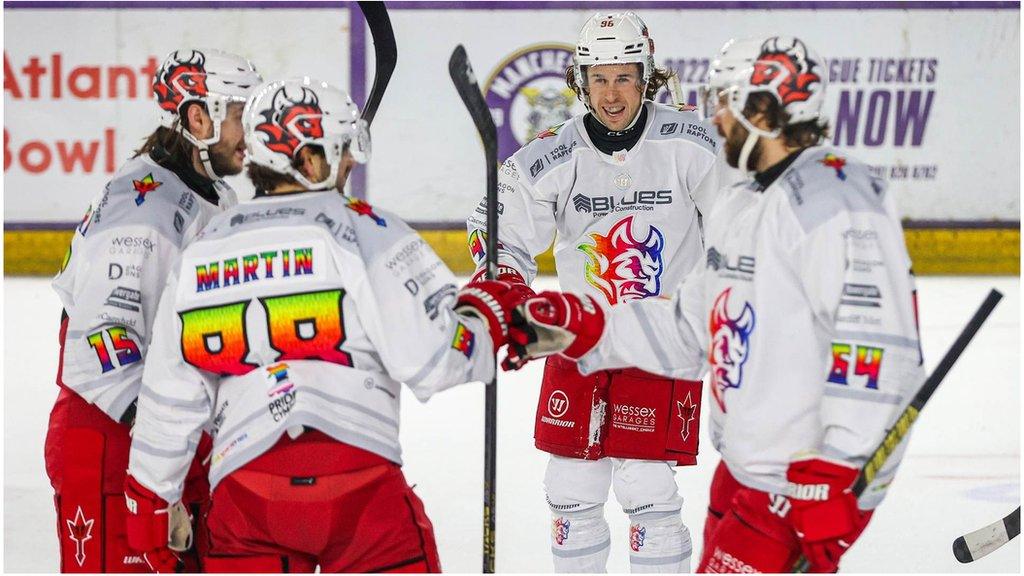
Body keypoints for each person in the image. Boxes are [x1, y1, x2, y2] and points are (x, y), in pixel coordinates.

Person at [499, 36, 925, 574]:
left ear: (765, 110)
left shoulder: (835, 199)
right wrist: (581, 327)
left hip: (803, 481)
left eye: (727, 101)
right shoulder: (743, 204)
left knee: (649, 495)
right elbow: (689, 327)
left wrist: (842, 469)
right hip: (746, 472)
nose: (715, 117)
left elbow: (878, 350)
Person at [122, 77, 523, 573]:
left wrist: (149, 499)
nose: (351, 162)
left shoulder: (204, 248)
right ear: (311, 160)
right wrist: (488, 316)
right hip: (360, 493)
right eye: (342, 150)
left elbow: (170, 396)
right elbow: (436, 360)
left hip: (246, 500)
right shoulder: (368, 230)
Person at [465, 11, 719, 573]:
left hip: (662, 339)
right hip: (579, 338)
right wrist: (504, 281)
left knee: (646, 483)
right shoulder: (553, 154)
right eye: (599, 78)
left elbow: (742, 220)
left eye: (624, 77)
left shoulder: (691, 141)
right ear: (581, 81)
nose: (611, 93)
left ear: (646, 76)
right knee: (570, 486)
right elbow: (497, 223)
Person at [46, 48, 261, 573]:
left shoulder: (214, 194)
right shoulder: (144, 211)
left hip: (168, 445)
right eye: (239, 113)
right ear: (198, 117)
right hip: (108, 445)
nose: (249, 129)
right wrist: (160, 462)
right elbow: (99, 343)